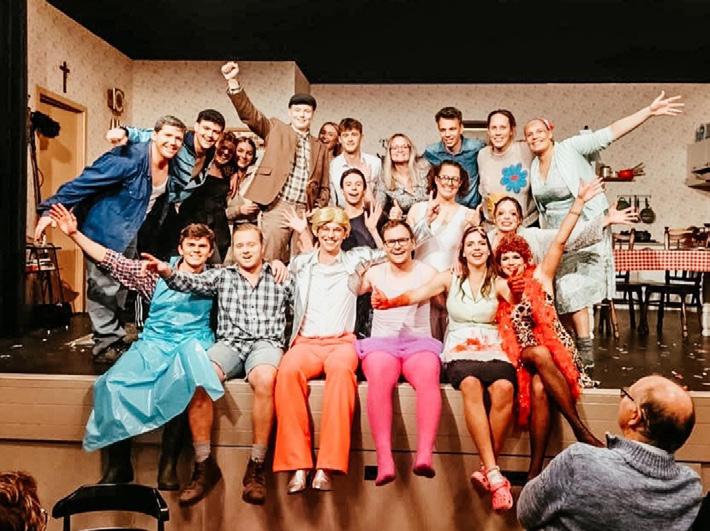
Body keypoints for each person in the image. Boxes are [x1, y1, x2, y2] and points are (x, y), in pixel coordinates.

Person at [47, 204, 223, 490]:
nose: (196, 251)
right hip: (155, 342)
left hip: (192, 342)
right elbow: (111, 260)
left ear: (210, 250)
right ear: (181, 247)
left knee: (183, 384)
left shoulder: (217, 277)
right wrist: (74, 234)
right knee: (110, 385)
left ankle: (168, 464)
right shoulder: (153, 272)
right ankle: (119, 466)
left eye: (202, 246)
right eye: (191, 245)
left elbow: (252, 271)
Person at [525, 91, 683, 357]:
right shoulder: (533, 165)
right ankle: (567, 352)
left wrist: (648, 111)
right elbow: (538, 206)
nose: (535, 136)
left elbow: (609, 133)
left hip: (584, 229)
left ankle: (585, 352)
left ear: (550, 132)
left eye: (539, 131)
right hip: (555, 235)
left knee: (574, 290)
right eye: (529, 134)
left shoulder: (570, 148)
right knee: (558, 294)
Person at [144, 224, 292, 506]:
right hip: (230, 344)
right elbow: (189, 283)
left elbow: (304, 304)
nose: (246, 250)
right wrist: (166, 271)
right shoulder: (222, 276)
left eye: (251, 245)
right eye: (240, 245)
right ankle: (203, 465)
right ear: (233, 250)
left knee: (265, 379)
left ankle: (256, 467)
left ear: (263, 248)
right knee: (199, 376)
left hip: (266, 343)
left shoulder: (280, 276)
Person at [372, 226, 517, 512]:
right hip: (460, 347)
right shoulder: (449, 277)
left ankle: (487, 468)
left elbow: (522, 307)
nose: (476, 248)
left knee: (505, 387)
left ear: (488, 250)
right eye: (470, 244)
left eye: (481, 243)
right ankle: (494, 474)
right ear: (462, 251)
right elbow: (416, 294)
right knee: (471, 384)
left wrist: (521, 287)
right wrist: (389, 302)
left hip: (494, 347)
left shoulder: (499, 282)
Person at [34, 115, 187, 363]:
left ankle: (114, 335)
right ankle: (105, 344)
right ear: (154, 135)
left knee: (122, 283)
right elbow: (84, 182)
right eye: (167, 135)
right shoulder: (128, 158)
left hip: (130, 228)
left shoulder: (173, 163)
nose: (173, 142)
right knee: (103, 286)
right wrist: (50, 210)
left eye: (178, 138)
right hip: (104, 227)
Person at [495, 178, 609, 481]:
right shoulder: (498, 286)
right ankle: (581, 430)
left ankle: (534, 471)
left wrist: (580, 202)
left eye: (516, 257)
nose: (510, 262)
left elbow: (559, 240)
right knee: (537, 352)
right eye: (505, 258)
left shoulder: (542, 277)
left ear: (526, 259)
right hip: (522, 355)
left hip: (554, 353)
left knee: (540, 388)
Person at [272, 207, 384, 494]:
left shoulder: (355, 259)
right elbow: (279, 274)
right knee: (286, 374)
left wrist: (374, 230)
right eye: (325, 229)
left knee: (342, 376)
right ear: (318, 232)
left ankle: (327, 466)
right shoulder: (301, 263)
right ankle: (298, 465)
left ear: (345, 234)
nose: (331, 235)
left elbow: (394, 252)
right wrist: (277, 262)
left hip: (341, 343)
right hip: (306, 343)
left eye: (337, 230)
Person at [518, 375, 702, 531]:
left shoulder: (580, 462)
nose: (622, 397)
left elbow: (526, 512)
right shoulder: (690, 487)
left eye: (626, 394)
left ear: (634, 416)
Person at [356, 220, 441, 487]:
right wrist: (361, 269)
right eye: (391, 241)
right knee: (379, 378)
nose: (397, 246)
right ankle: (384, 459)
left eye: (403, 240)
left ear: (413, 242)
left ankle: (424, 455)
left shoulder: (428, 271)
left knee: (428, 375)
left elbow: (443, 298)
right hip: (382, 344)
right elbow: (352, 287)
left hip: (419, 344)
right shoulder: (375, 273)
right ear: (384, 246)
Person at [221, 61, 330, 262]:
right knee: (269, 259)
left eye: (306, 111)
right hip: (278, 205)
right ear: (290, 112)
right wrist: (233, 82)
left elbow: (324, 186)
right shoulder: (276, 128)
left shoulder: (320, 147)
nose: (302, 115)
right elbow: (250, 115)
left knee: (304, 261)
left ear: (313, 115)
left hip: (304, 211)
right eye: (297, 110)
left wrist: (318, 207)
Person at [406, 161, 480, 340]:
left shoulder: (468, 214)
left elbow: (475, 253)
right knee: (423, 343)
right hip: (421, 286)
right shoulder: (418, 209)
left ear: (460, 183)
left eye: (455, 179)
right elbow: (406, 247)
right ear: (436, 180)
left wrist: (474, 227)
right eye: (445, 177)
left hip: (451, 288)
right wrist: (426, 220)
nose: (449, 183)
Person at [489, 196, 638, 265]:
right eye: (501, 213)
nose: (506, 217)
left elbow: (565, 236)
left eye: (512, 213)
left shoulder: (533, 236)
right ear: (494, 219)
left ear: (520, 219)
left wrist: (604, 220)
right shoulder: (486, 240)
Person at [176, 131, 239, 262]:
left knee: (215, 267)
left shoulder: (229, 172)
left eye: (231, 151)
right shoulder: (201, 164)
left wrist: (235, 173)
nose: (226, 152)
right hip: (193, 223)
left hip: (219, 229)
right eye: (223, 148)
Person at [477, 109, 537, 227]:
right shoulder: (482, 155)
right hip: (492, 228)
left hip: (525, 226)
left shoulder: (526, 149)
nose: (498, 132)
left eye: (503, 127)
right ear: (488, 131)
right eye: (494, 128)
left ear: (511, 131)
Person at [423, 106, 485, 209]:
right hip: (443, 209)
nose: (447, 134)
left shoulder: (476, 147)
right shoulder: (431, 152)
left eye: (452, 129)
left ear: (461, 129)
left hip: (471, 209)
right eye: (443, 130)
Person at [329, 117, 382, 207]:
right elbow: (333, 202)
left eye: (354, 134)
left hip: (370, 212)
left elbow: (380, 203)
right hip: (342, 214)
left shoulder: (375, 163)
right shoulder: (333, 165)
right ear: (339, 139)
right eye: (345, 135)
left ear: (361, 137)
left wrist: (367, 181)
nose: (350, 139)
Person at [378, 132, 431, 219]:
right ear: (389, 152)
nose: (400, 150)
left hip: (431, 219)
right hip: (404, 223)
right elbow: (378, 209)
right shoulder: (384, 178)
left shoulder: (425, 167)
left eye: (404, 147)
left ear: (410, 150)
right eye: (395, 148)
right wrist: (394, 217)